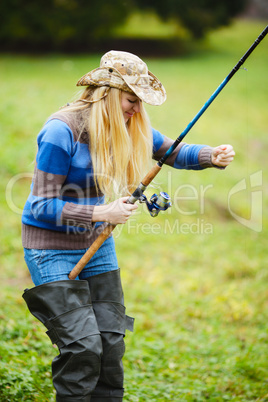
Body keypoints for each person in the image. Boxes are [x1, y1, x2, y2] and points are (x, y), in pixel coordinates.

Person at [22, 50, 235, 402]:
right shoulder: (62, 131)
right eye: (131, 99)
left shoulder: (128, 126)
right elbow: (39, 206)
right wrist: (101, 213)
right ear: (106, 93)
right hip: (50, 249)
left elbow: (171, 151)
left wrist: (210, 156)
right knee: (83, 347)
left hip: (97, 246)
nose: (137, 108)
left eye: (139, 101)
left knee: (110, 344)